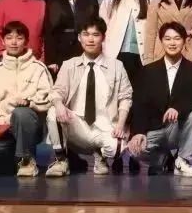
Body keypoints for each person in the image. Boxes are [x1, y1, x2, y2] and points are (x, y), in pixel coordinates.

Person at [44, 16, 133, 177]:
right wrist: (59, 105)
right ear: (79, 37)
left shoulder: (117, 66)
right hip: (76, 124)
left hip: (105, 126)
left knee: (118, 148)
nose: (90, 39)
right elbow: (57, 91)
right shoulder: (69, 64)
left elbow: (125, 97)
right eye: (86, 34)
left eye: (95, 34)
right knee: (53, 111)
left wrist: (120, 125)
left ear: (103, 37)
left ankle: (101, 156)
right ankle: (61, 160)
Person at [128, 22, 192, 177]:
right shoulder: (148, 71)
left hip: (179, 129)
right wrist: (138, 132)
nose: (172, 43)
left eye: (177, 38)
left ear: (184, 41)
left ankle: (183, 160)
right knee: (134, 151)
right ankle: (162, 158)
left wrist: (178, 108)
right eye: (168, 39)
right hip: (155, 129)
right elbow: (139, 104)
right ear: (161, 41)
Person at [0, 21, 53, 176]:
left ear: (26, 41)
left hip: (31, 126)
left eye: (19, 38)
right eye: (9, 38)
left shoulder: (39, 68)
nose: (14, 42)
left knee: (21, 112)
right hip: (3, 128)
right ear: (3, 41)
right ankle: (16, 158)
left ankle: (26, 160)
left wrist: (30, 102)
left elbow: (49, 98)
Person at [99, 0, 154, 89]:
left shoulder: (149, 2)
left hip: (141, 59)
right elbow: (100, 34)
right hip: (115, 58)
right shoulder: (109, 2)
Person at [44, 0, 100, 73]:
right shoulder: (53, 0)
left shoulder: (91, 0)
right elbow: (49, 32)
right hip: (60, 54)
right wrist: (51, 60)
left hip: (86, 51)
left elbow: (96, 29)